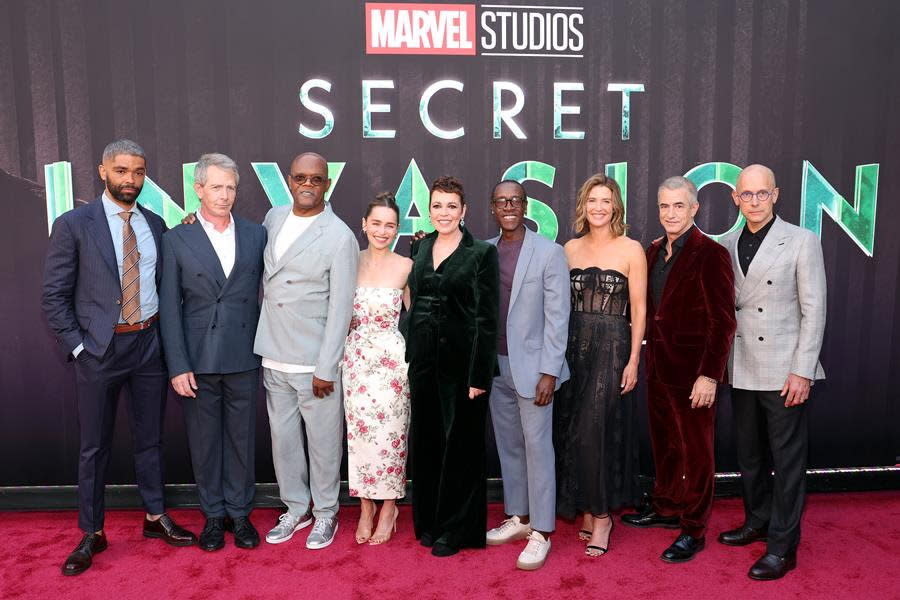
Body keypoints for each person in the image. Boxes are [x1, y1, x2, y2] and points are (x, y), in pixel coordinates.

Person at [42, 139, 196, 576]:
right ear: (103, 171)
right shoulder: (74, 224)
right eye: (123, 171)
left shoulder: (155, 224)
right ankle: (92, 532)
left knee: (150, 438)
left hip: (148, 345)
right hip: (99, 350)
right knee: (94, 447)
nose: (131, 180)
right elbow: (53, 297)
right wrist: (79, 348)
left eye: (139, 172)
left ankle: (154, 517)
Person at [717, 164, 826, 580]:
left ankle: (783, 546)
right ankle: (757, 521)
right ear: (736, 199)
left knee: (787, 460)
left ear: (776, 195)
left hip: (784, 371)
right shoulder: (724, 243)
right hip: (741, 367)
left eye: (763, 194)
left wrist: (803, 370)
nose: (755, 202)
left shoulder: (801, 240)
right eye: (747, 195)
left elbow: (815, 310)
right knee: (749, 457)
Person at [622, 176, 736, 563]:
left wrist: (709, 375)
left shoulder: (712, 254)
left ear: (694, 208)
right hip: (658, 367)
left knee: (697, 453)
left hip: (694, 375)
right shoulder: (653, 252)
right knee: (665, 445)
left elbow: (724, 322)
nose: (671, 213)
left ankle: (694, 528)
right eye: (664, 206)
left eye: (678, 206)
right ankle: (667, 507)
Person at [159, 153, 267, 552]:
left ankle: (239, 515)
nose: (225, 195)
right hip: (198, 359)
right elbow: (169, 306)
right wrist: (178, 364)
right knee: (204, 443)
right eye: (217, 187)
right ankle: (213, 516)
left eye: (231, 187)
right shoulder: (176, 238)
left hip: (243, 354)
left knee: (241, 440)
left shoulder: (256, 234)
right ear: (198, 189)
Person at [255, 152, 359, 549]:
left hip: (314, 361)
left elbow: (341, 308)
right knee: (283, 442)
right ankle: (296, 508)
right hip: (273, 352)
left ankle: (327, 513)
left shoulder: (339, 235)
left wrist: (327, 366)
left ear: (327, 183)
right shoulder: (273, 218)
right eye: (300, 177)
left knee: (324, 443)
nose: (307, 185)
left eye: (316, 179)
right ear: (289, 179)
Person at [405, 175, 500, 557]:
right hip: (424, 362)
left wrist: (479, 375)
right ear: (429, 210)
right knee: (426, 443)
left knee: (461, 447)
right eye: (437, 206)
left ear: (464, 211)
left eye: (451, 206)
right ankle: (429, 521)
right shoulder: (421, 246)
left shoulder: (480, 253)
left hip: (463, 367)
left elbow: (486, 319)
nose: (443, 213)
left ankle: (457, 530)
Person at [553, 174, 647, 558]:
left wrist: (634, 360)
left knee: (596, 430)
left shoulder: (631, 249)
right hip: (573, 346)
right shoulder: (569, 249)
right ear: (583, 205)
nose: (598, 207)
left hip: (612, 346)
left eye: (605, 200)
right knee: (573, 430)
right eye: (592, 200)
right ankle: (588, 508)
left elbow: (639, 309)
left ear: (615, 206)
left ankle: (603, 516)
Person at [483, 180, 571, 570]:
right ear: (492, 207)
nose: (509, 207)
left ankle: (543, 531)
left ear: (526, 205)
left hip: (534, 369)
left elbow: (558, 317)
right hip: (494, 366)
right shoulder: (484, 251)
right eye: (502, 201)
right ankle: (518, 517)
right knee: (509, 446)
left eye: (515, 201)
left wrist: (549, 370)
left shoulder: (549, 253)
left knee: (538, 449)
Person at [342, 192, 413, 546]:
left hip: (392, 363)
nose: (382, 231)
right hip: (354, 361)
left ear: (397, 229)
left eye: (390, 225)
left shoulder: (406, 266)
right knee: (360, 438)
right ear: (364, 224)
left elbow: (418, 318)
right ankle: (365, 506)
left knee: (392, 438)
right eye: (376, 223)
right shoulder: (348, 261)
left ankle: (389, 506)